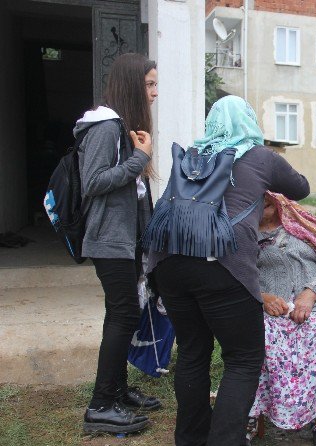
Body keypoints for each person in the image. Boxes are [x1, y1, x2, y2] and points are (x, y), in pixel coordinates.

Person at [147, 96, 310, 446]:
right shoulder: (261, 156)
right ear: (248, 122)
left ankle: (190, 440)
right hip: (222, 263)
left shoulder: (192, 155)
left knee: (192, 352)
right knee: (243, 358)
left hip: (168, 264)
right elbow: (301, 188)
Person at [76, 53, 161, 434]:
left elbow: (134, 193)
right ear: (132, 86)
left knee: (124, 315)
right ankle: (99, 406)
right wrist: (139, 159)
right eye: (149, 84)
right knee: (123, 315)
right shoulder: (105, 127)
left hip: (126, 241)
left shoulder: (124, 128)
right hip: (108, 240)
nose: (155, 92)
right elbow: (91, 182)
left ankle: (118, 391)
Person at [246, 192, 316, 446]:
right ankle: (249, 416)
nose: (265, 198)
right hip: (267, 306)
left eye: (271, 194)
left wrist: (310, 293)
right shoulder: (242, 233)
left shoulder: (305, 224)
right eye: (258, 194)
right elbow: (236, 276)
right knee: (260, 341)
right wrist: (263, 296)